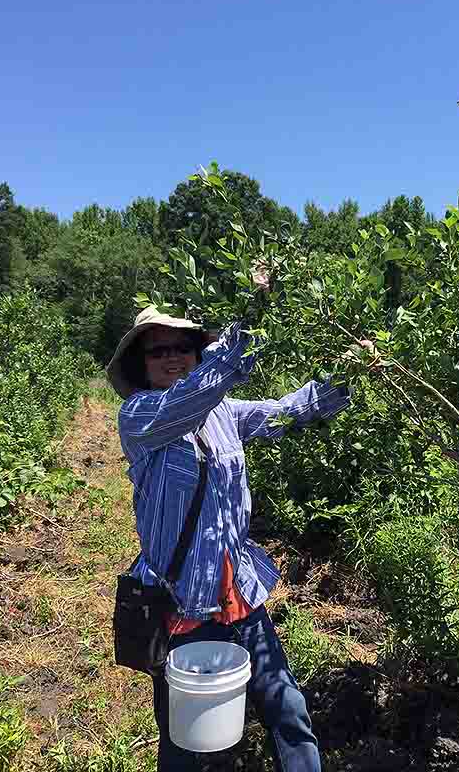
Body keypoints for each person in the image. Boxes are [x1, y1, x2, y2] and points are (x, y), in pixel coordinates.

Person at [106, 296, 352, 772]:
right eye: (159, 351)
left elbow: (287, 411)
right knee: (185, 742)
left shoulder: (224, 412)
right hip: (180, 606)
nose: (173, 356)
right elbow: (190, 401)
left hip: (240, 596)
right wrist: (254, 311)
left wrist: (348, 375)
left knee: (288, 711)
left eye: (183, 346)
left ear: (198, 354)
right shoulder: (140, 416)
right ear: (142, 363)